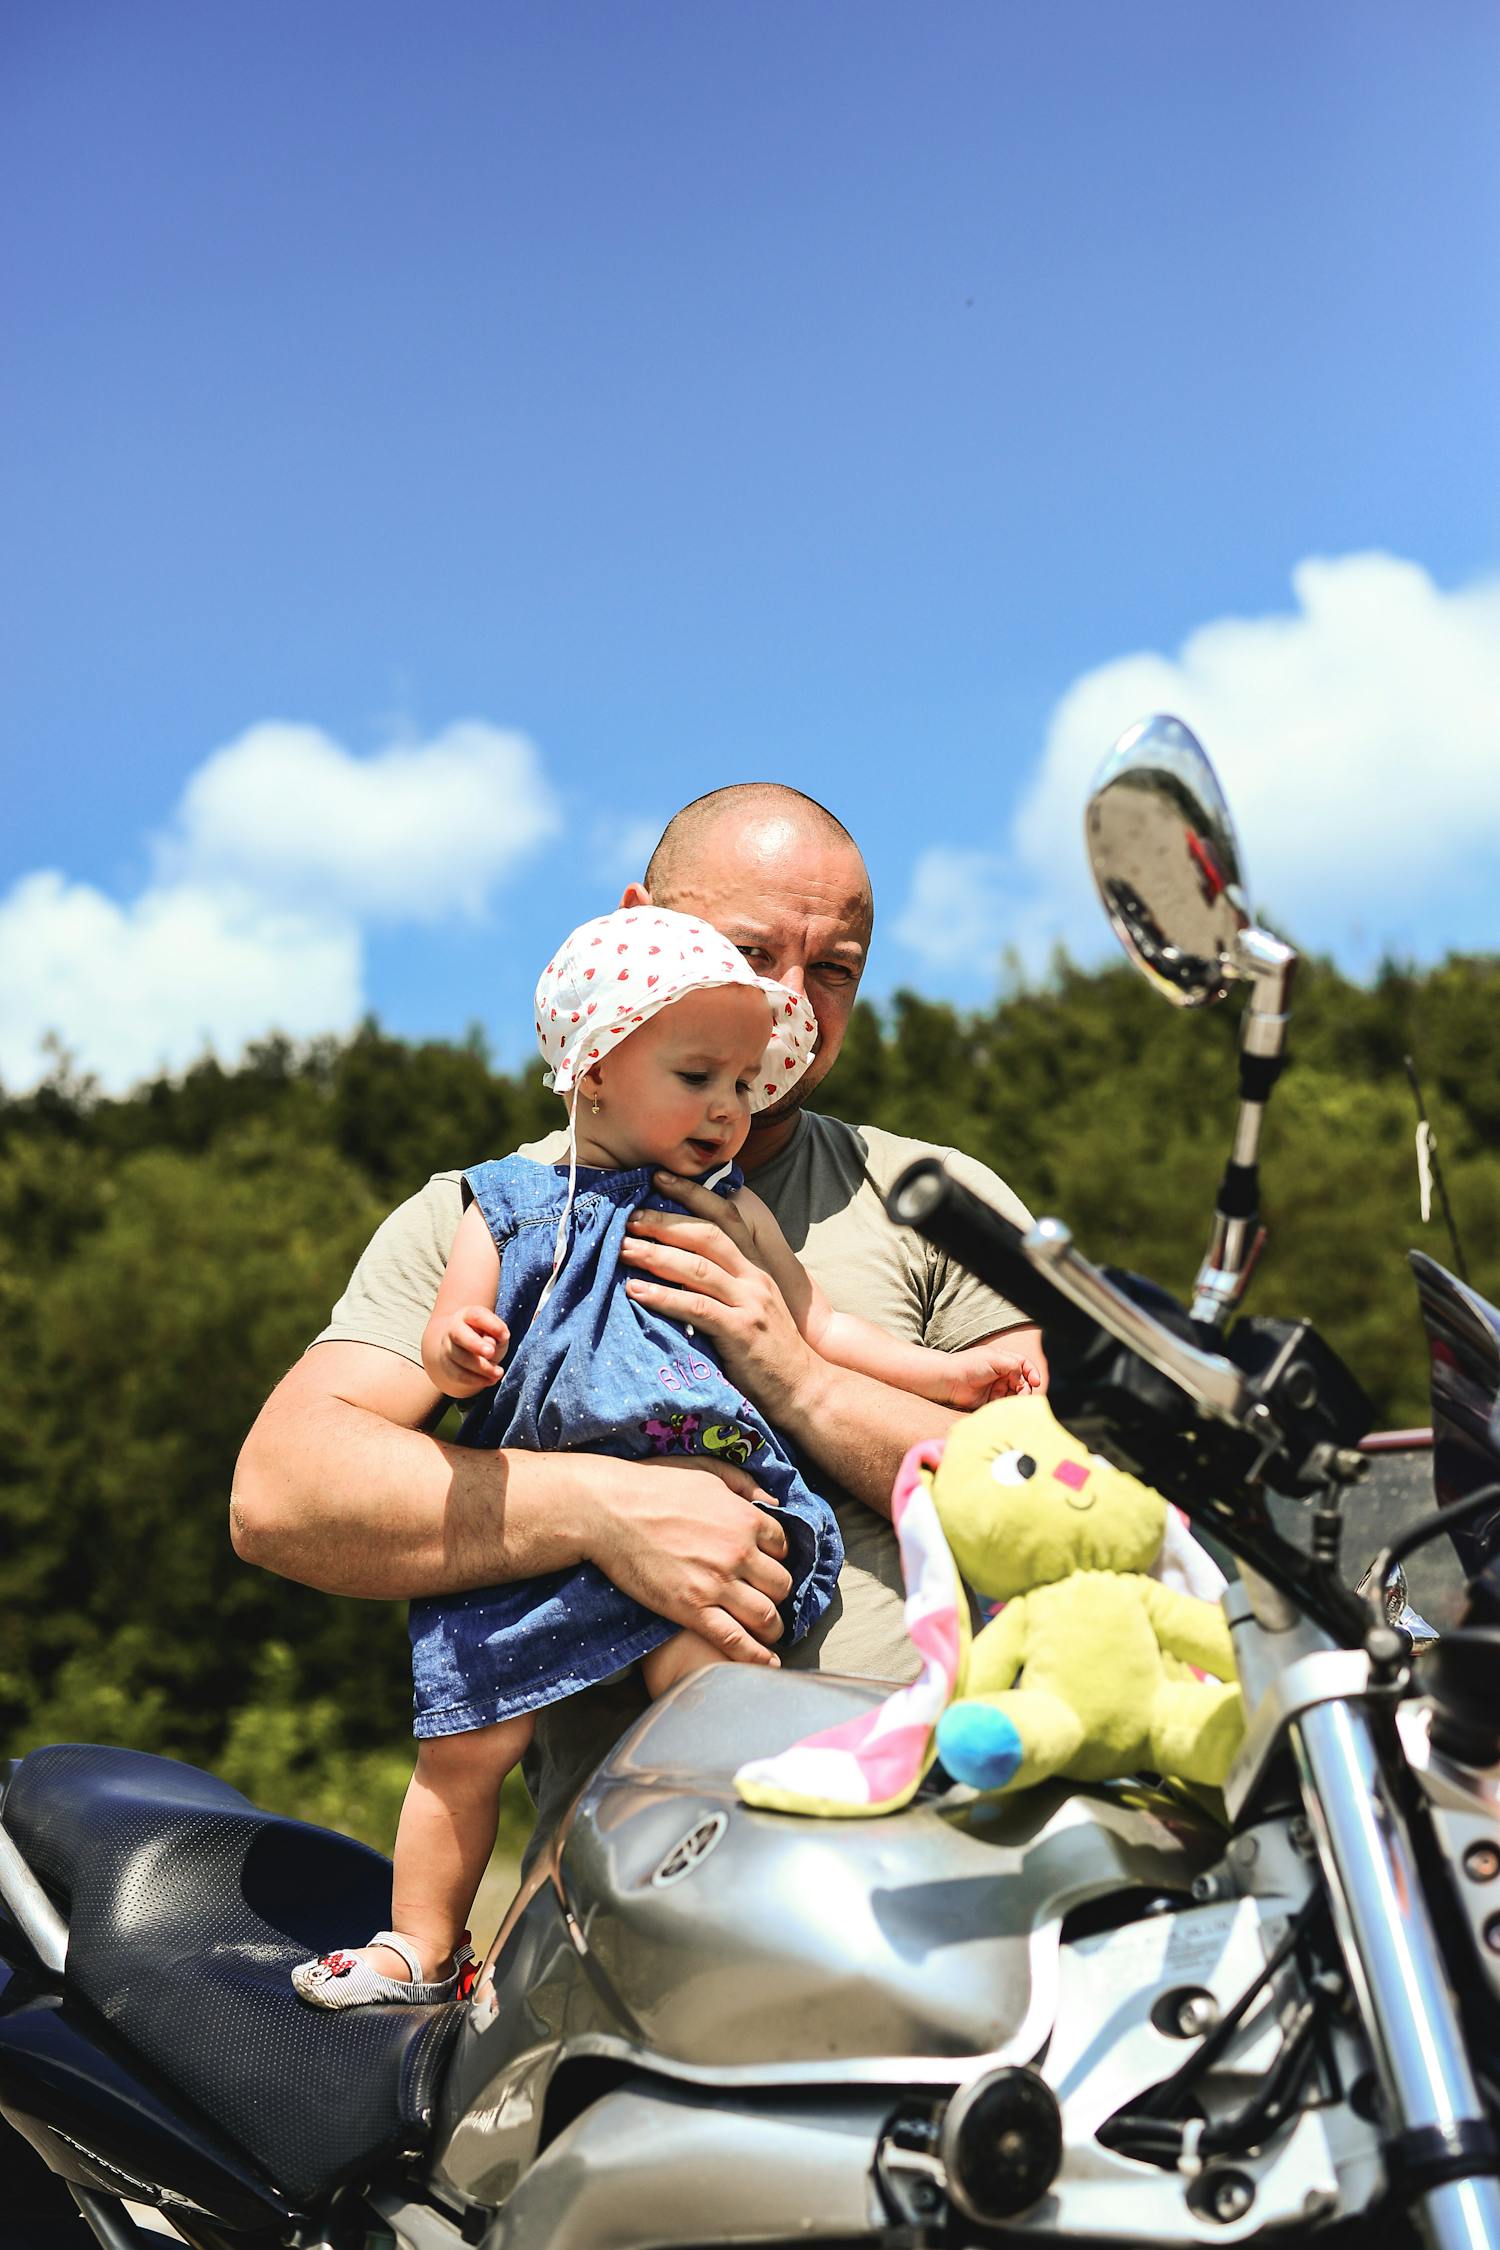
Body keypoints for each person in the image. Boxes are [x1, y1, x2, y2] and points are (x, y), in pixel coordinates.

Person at [232, 784, 1043, 1874]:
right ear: (637, 925)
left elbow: (1077, 1508)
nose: (792, 1003)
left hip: (955, 1857)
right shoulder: (493, 1213)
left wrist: (799, 1378)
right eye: (753, 949)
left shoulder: (937, 1201)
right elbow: (282, 1496)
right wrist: (610, 1508)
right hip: (636, 1905)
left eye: (836, 967)